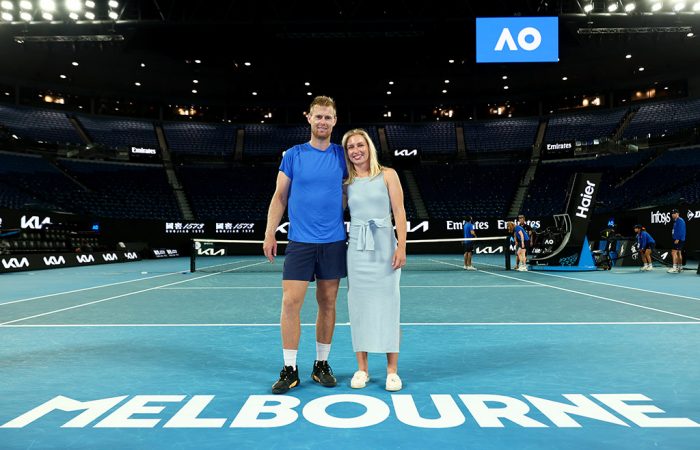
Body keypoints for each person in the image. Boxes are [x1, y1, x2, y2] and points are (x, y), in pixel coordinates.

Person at [263, 95, 348, 394]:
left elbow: (351, 193)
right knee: (290, 303)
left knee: (327, 304)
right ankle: (289, 368)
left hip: (334, 242)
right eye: (318, 116)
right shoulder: (294, 155)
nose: (323, 121)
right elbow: (279, 197)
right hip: (300, 242)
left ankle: (321, 364)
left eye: (328, 117)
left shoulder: (342, 155)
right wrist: (270, 233)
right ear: (308, 118)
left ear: (335, 121)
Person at [342, 128, 407, 392]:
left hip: (384, 245)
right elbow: (333, 210)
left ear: (369, 147)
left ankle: (392, 371)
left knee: (389, 305)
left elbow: (400, 211)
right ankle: (362, 369)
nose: (356, 150)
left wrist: (401, 246)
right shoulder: (346, 181)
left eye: (360, 145)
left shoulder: (388, 175)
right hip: (357, 248)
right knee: (359, 307)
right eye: (350, 147)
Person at [668, 208, 686, 274]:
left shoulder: (680, 220)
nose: (672, 215)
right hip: (679, 239)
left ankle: (674, 268)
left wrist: (677, 239)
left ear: (677, 214)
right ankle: (680, 267)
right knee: (678, 253)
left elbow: (681, 230)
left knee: (673, 252)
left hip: (678, 239)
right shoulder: (676, 221)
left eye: (674, 213)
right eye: (672, 213)